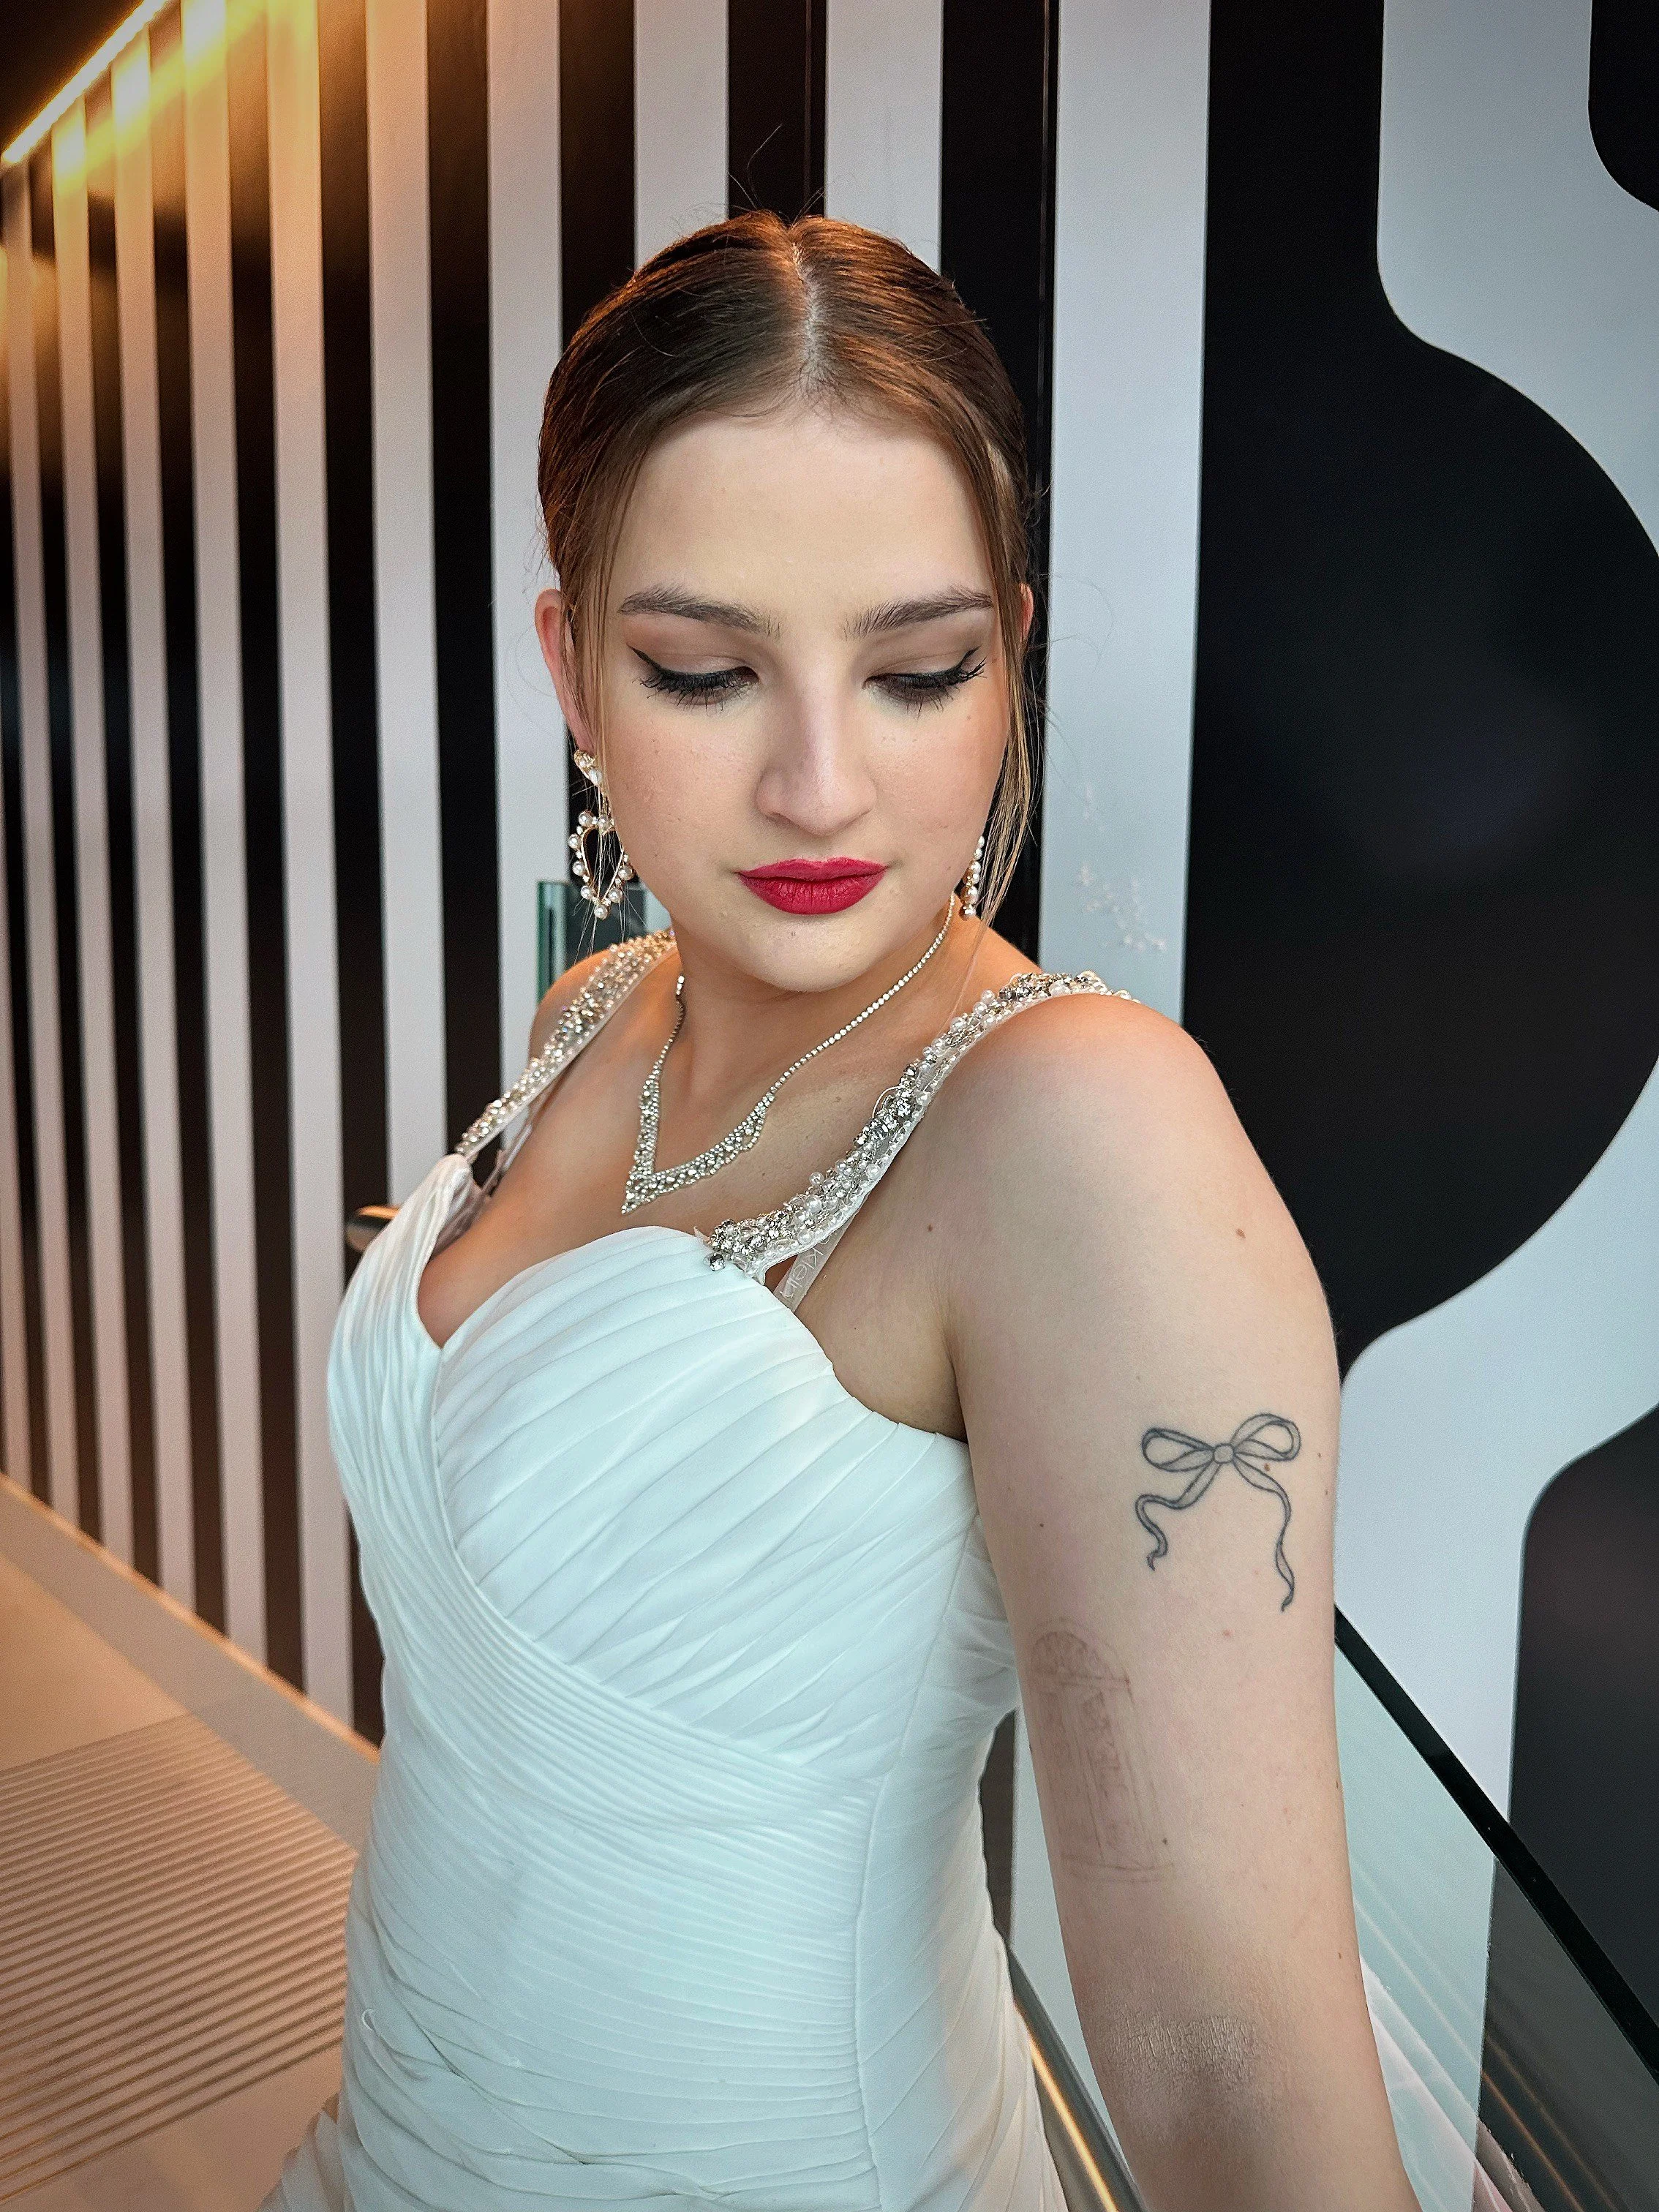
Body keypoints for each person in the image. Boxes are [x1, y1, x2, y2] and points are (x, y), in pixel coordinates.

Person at [266, 213, 1416, 2212]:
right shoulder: (593, 1013)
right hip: (408, 2111)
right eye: (703, 671)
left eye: (918, 669)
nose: (819, 785)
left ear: (1012, 654)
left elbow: (1227, 2054)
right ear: (571, 665)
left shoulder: (1075, 1133)